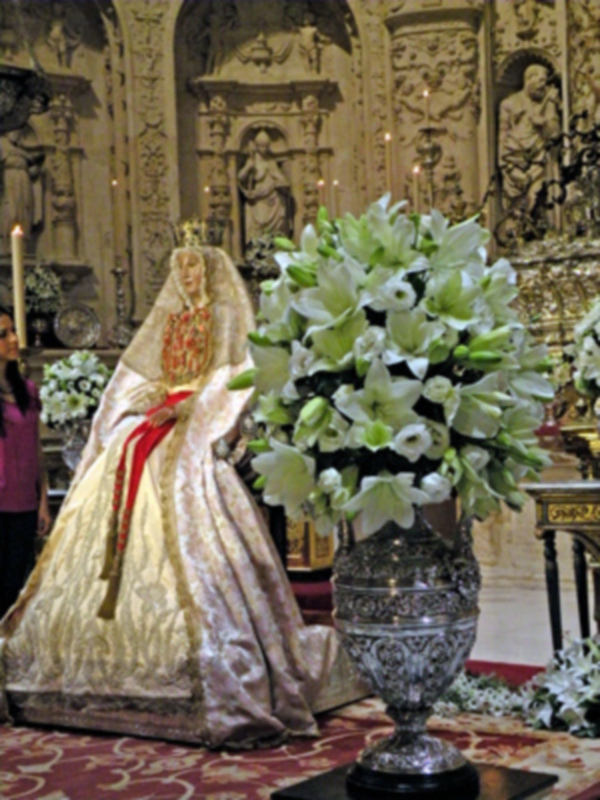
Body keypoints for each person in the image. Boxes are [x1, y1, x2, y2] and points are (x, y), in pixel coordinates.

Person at [0, 245, 339, 747]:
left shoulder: (225, 317)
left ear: (210, 271)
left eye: (194, 264)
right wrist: (154, 397)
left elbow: (229, 377)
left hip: (193, 426)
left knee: (192, 497)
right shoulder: (172, 320)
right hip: (153, 427)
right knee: (122, 458)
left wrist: (190, 410)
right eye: (179, 266)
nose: (186, 274)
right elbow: (158, 374)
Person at [0, 307, 50, 619]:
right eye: (3, 334)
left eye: (13, 330)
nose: (14, 339)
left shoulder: (28, 390)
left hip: (24, 505)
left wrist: (43, 500)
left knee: (16, 590)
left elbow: (36, 447)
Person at [498, 64, 561, 220]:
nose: (543, 86)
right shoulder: (509, 104)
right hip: (514, 161)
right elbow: (502, 137)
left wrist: (546, 120)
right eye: (540, 81)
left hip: (539, 161)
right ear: (528, 79)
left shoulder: (547, 102)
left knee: (536, 200)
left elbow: (555, 135)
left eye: (545, 83)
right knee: (516, 211)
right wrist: (506, 166)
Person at [238, 130, 291, 246]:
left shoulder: (271, 162)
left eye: (266, 146)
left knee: (279, 221)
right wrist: (248, 168)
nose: (264, 149)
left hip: (272, 199)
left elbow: (281, 178)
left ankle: (273, 246)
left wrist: (281, 183)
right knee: (257, 227)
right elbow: (240, 178)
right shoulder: (251, 161)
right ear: (256, 146)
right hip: (257, 201)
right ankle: (257, 249)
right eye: (261, 146)